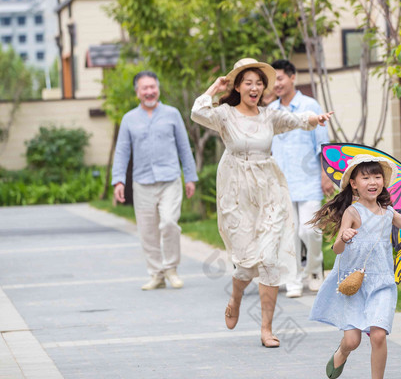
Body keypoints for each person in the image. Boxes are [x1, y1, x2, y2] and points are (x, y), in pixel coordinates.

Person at [190, 58, 333, 348]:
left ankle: (267, 329)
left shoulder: (270, 115)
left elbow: (296, 120)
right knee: (245, 263)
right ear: (238, 86)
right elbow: (197, 112)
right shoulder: (225, 114)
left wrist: (315, 120)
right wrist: (215, 87)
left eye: (259, 83)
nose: (254, 88)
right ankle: (236, 296)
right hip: (236, 192)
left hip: (269, 189)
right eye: (248, 83)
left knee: (269, 258)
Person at [308, 154, 401, 379]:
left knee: (378, 334)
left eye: (377, 177)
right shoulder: (353, 212)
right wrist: (343, 237)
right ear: (354, 184)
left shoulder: (387, 213)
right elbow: (336, 250)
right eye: (365, 177)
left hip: (382, 282)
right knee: (353, 340)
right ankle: (342, 351)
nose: (373, 181)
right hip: (353, 285)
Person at [112, 71, 198, 291]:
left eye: (152, 87)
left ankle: (171, 268)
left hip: (170, 179)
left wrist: (190, 177)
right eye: (144, 88)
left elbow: (184, 147)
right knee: (147, 232)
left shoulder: (172, 114)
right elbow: (122, 151)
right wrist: (118, 181)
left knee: (169, 222)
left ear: (158, 88)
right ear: (137, 92)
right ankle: (156, 275)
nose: (149, 91)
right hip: (142, 182)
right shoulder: (129, 119)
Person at [269, 59, 333, 298]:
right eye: (273, 80)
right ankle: (293, 279)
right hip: (281, 182)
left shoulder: (310, 105)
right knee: (288, 234)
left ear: (292, 77)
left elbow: (323, 144)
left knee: (310, 230)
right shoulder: (271, 111)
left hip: (308, 180)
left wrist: (326, 174)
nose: (276, 84)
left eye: (280, 78)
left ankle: (315, 270)